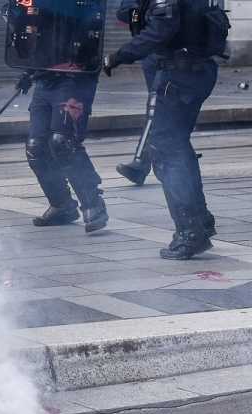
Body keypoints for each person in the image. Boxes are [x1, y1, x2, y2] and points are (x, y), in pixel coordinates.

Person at [104, 0, 227, 259]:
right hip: (192, 70)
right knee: (178, 146)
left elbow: (161, 29)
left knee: (167, 153)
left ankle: (190, 232)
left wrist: (119, 56)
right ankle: (200, 219)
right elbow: (128, 12)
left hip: (179, 74)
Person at [14, 74, 109, 232]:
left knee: (63, 142)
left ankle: (93, 203)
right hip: (44, 79)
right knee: (35, 146)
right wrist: (28, 72)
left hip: (73, 80)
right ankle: (61, 204)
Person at [115, 0, 161, 186]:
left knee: (159, 110)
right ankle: (167, 161)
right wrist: (141, 11)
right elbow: (123, 12)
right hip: (152, 54)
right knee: (160, 110)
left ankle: (143, 163)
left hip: (176, 55)